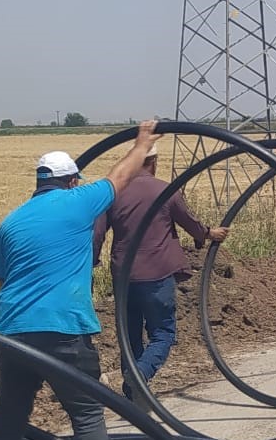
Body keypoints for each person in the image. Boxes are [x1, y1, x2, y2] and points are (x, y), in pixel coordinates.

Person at [0, 119, 160, 440]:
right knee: (87, 414)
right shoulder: (78, 203)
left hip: (12, 334)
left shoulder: (10, 223)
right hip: (63, 330)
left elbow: (4, 276)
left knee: (10, 421)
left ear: (39, 182)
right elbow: (120, 176)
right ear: (73, 181)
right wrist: (142, 143)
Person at [92, 142, 229, 392]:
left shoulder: (113, 193)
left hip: (123, 276)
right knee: (163, 333)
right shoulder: (165, 190)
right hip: (157, 273)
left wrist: (89, 264)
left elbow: (96, 234)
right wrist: (209, 234)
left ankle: (133, 391)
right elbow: (190, 222)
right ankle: (139, 376)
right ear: (154, 163)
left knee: (129, 334)